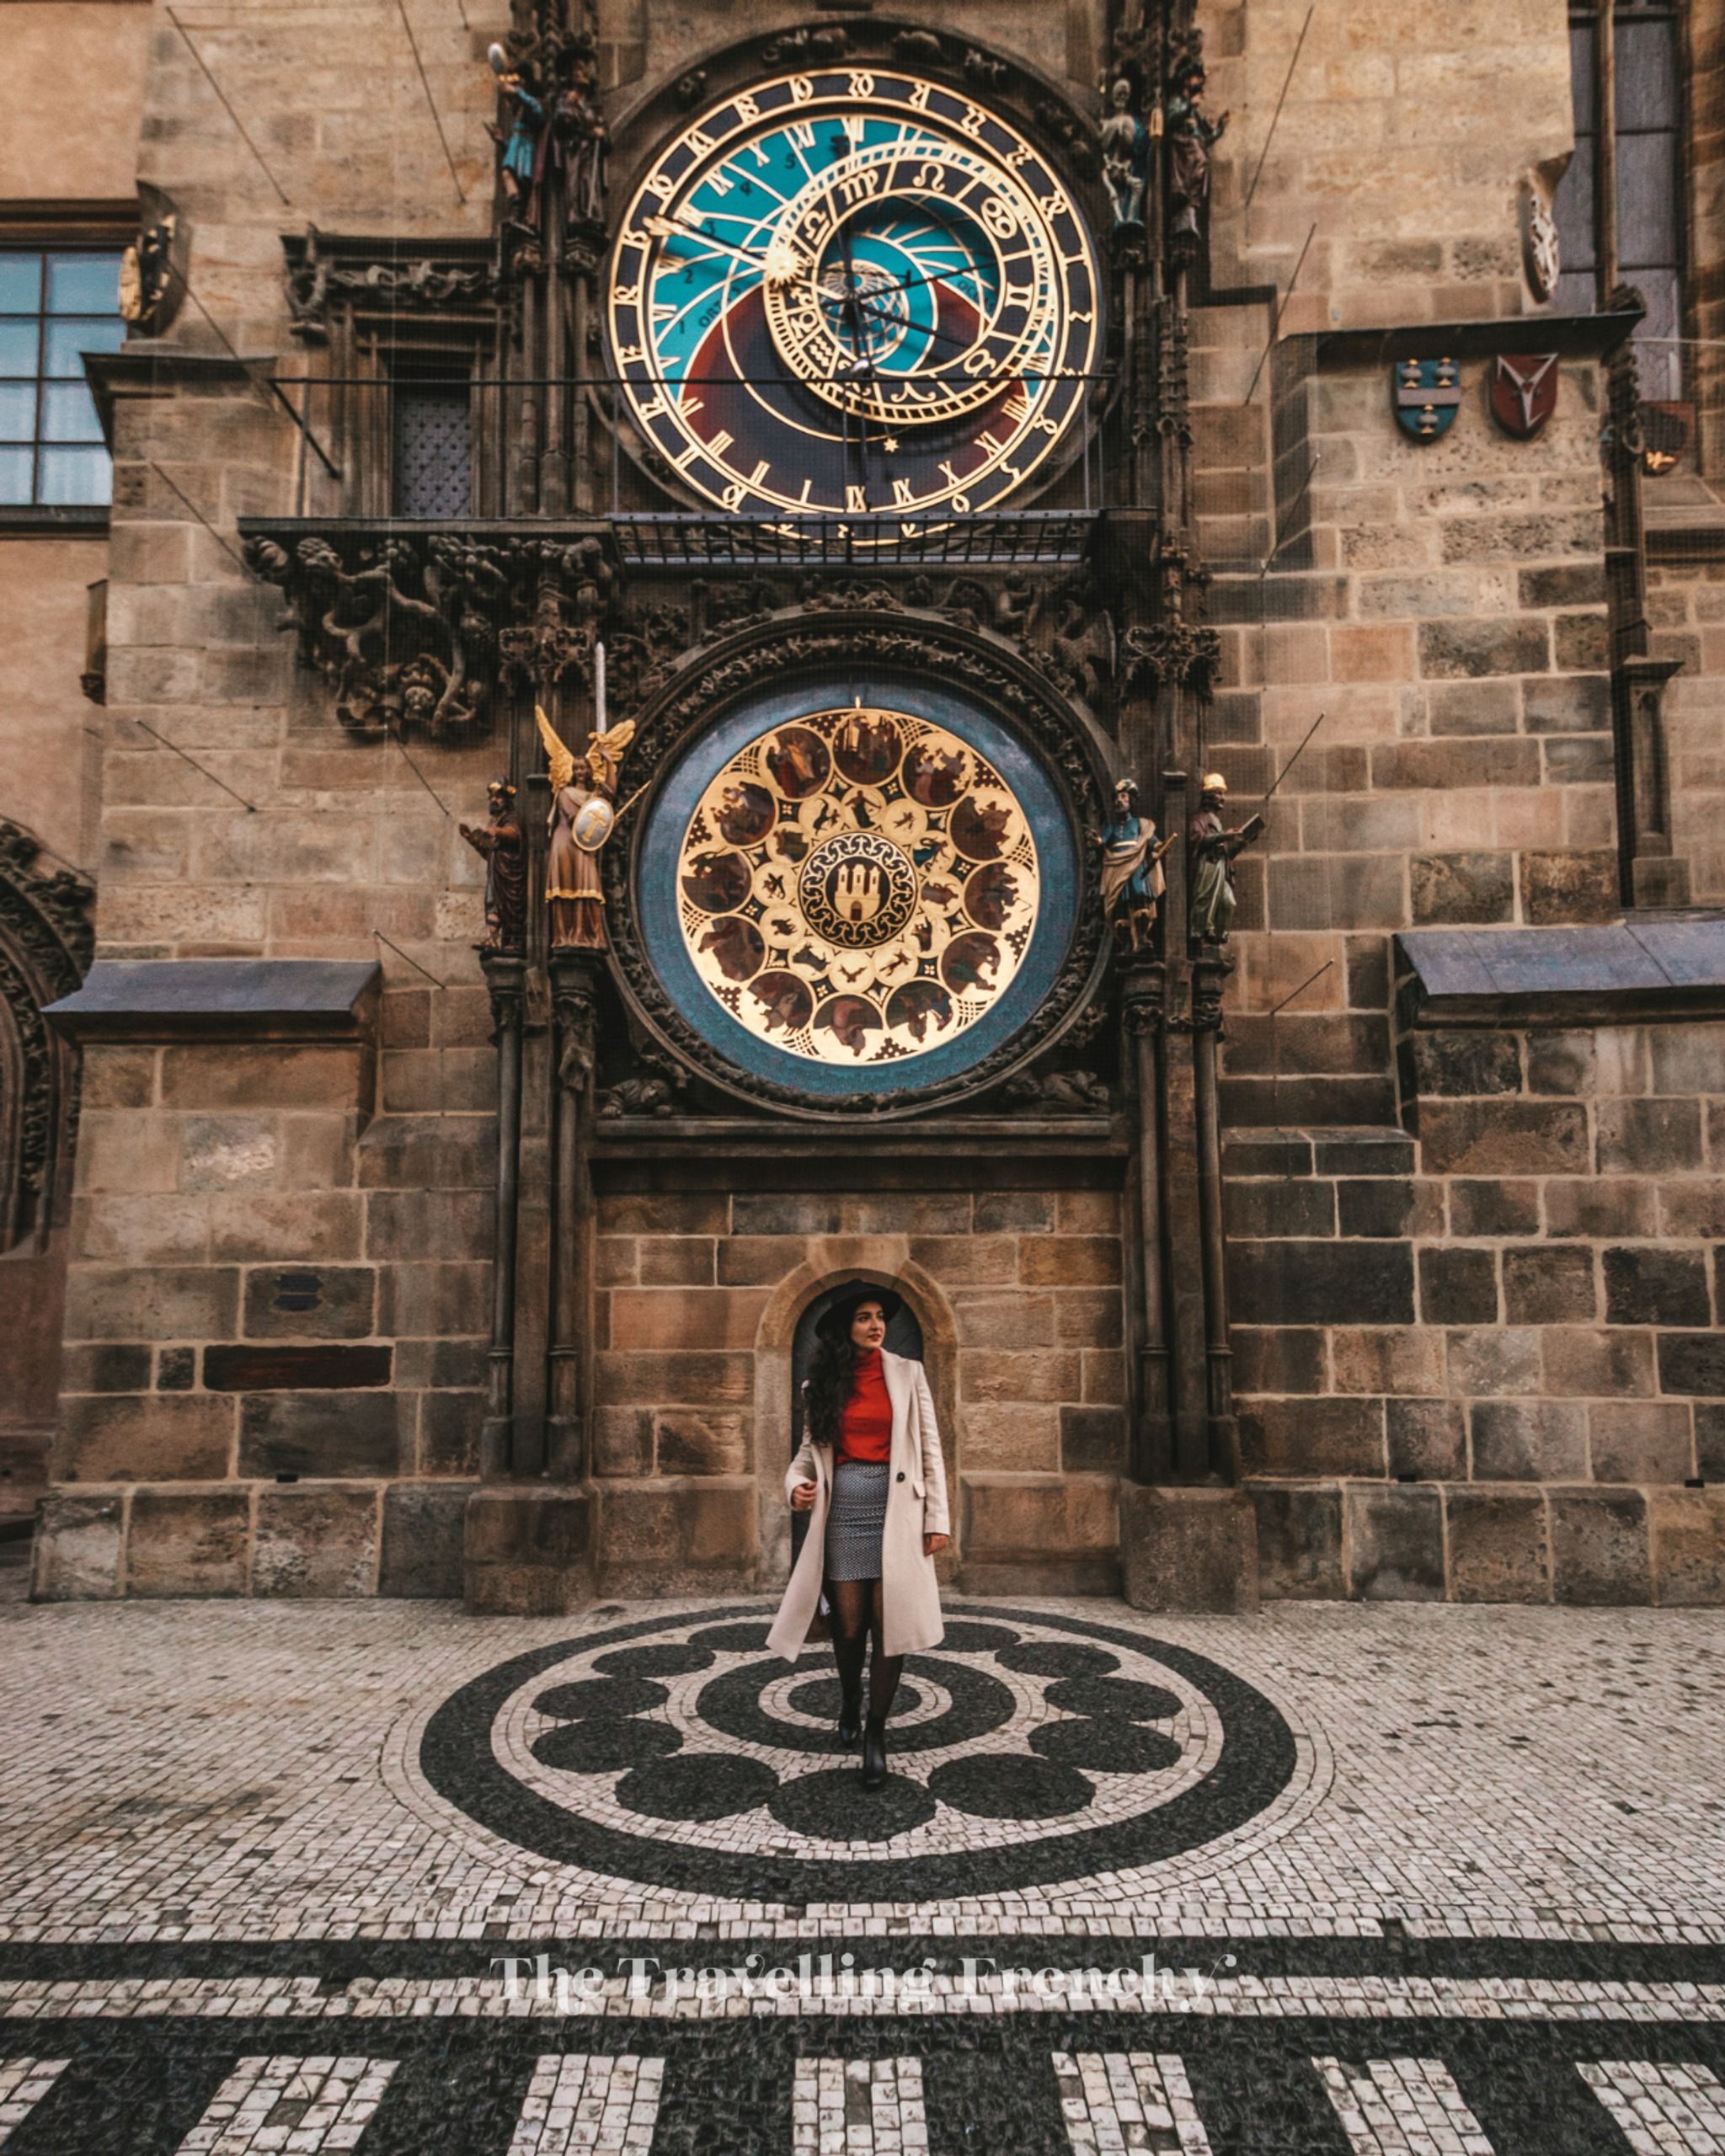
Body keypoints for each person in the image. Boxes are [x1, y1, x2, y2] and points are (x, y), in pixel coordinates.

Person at [767, 1284, 950, 1790]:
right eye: (864, 1318)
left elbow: (930, 1451)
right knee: (849, 1628)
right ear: (846, 1329)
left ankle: (875, 1732)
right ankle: (850, 1697)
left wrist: (938, 1518)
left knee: (889, 1622)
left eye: (879, 1318)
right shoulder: (820, 1385)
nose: (876, 1325)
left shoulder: (909, 1374)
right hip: (844, 1513)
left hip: (899, 1513)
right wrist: (794, 1487)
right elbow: (807, 1456)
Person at [1092, 776, 1166, 952]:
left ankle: (1141, 938)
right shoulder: (1112, 827)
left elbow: (1150, 840)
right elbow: (1102, 842)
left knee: (1140, 899)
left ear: (1131, 800)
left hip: (1135, 865)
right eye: (1117, 798)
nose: (1119, 801)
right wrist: (1097, 841)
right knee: (1120, 906)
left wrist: (1158, 846)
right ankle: (1125, 943)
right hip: (1117, 867)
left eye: (1124, 797)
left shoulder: (1140, 824)